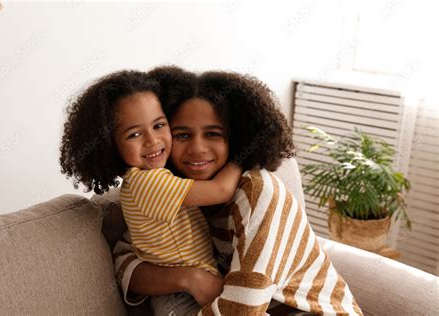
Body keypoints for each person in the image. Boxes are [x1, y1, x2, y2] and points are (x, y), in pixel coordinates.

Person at [112, 66, 363, 315]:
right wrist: (189, 278)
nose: (198, 148)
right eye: (182, 135)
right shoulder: (173, 192)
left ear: (237, 137)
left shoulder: (258, 192)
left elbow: (240, 311)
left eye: (212, 134)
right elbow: (126, 260)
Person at [59, 70, 242, 314]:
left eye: (159, 125)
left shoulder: (150, 180)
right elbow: (222, 190)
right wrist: (245, 153)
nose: (153, 140)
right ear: (111, 145)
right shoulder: (147, 184)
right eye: (134, 134)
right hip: (178, 298)